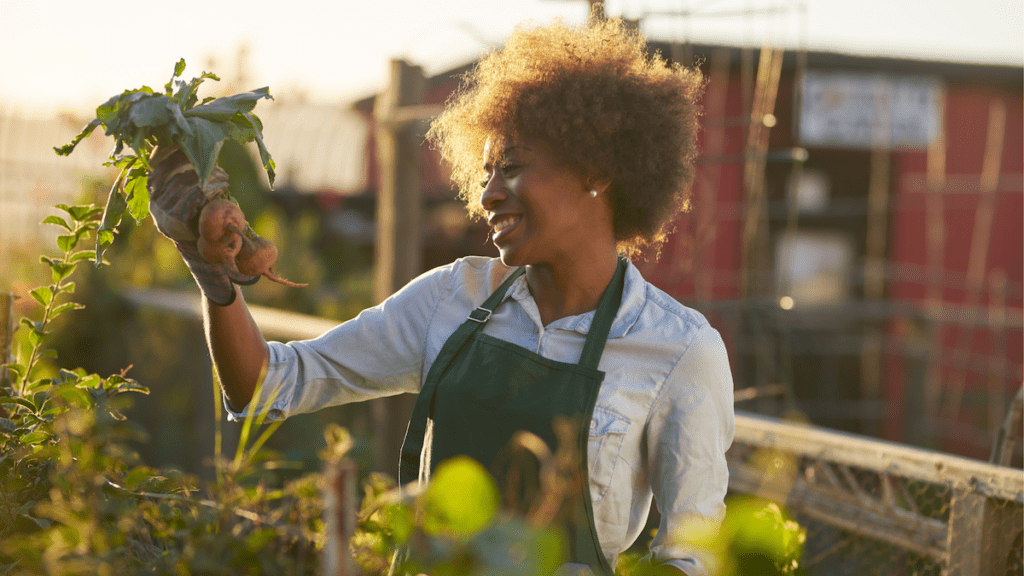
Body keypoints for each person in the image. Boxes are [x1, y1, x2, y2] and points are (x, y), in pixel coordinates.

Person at [148, 14, 734, 576]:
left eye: (511, 168)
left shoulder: (680, 351)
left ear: (597, 171)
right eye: (483, 175)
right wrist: (211, 271)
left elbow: (693, 553)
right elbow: (265, 384)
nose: (487, 196)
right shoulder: (452, 298)